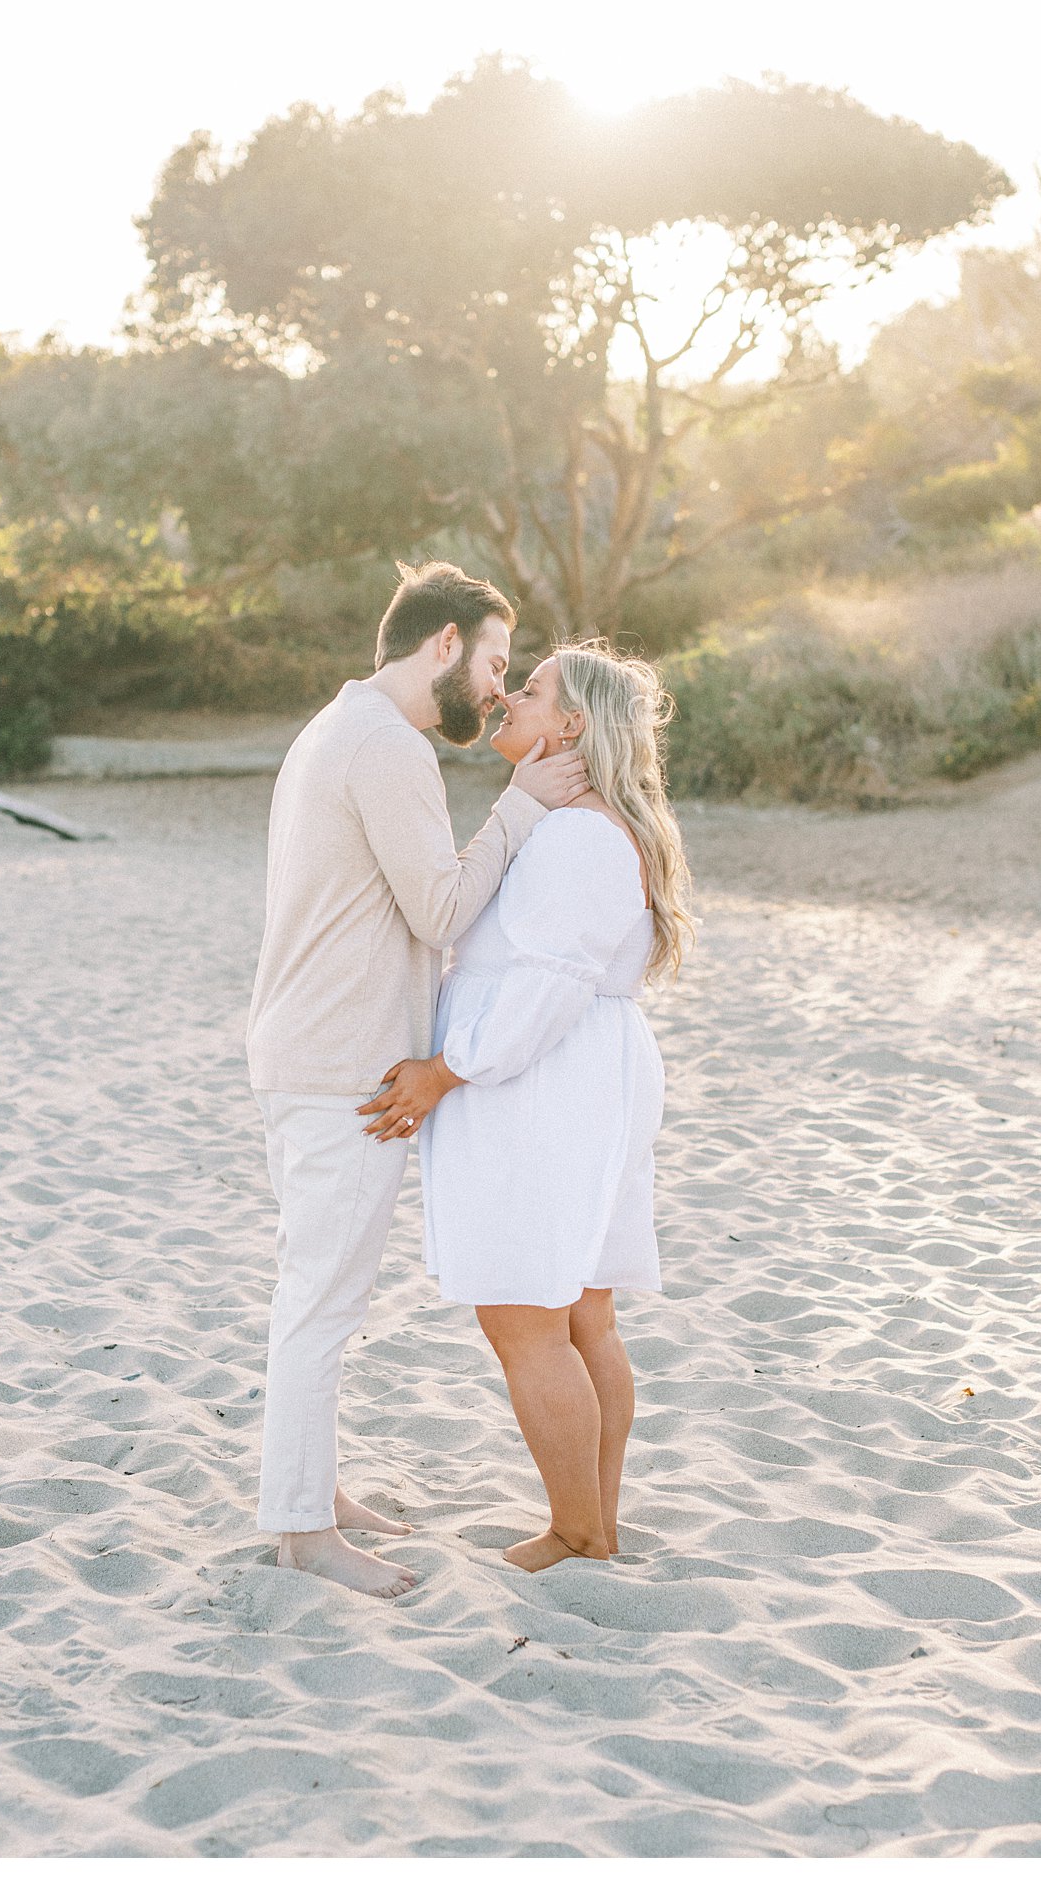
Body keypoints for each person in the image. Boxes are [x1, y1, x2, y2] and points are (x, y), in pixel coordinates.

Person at [245, 561, 589, 1599]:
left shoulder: (334, 727)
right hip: (338, 1062)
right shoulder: (388, 747)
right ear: (442, 643)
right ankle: (303, 1531)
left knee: (319, 1292)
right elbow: (440, 910)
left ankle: (311, 1488)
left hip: (311, 1048)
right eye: (491, 662)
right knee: (321, 1301)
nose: (496, 688)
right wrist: (521, 808)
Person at [358, 640, 694, 1571]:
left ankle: (579, 1528)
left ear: (572, 726)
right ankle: (591, 1521)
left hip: (540, 1087)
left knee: (526, 1317)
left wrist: (447, 1070)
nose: (506, 695)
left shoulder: (580, 836)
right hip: (574, 1077)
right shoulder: (580, 824)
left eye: (530, 689)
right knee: (583, 1315)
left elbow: (544, 987)